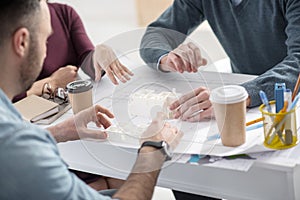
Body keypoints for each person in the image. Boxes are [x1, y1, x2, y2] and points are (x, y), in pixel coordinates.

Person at [0, 0, 182, 199]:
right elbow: (17, 148)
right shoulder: (16, 145)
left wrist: (57, 132)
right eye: (45, 40)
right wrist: (153, 148)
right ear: (22, 42)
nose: (46, 52)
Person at [140, 0, 300, 123]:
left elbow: (298, 62)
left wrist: (238, 96)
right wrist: (168, 58)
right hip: (247, 98)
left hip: (290, 101)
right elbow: (156, 35)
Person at [13, 1, 133, 102]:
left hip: (66, 109)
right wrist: (52, 83)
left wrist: (98, 55)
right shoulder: (8, 24)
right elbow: (6, 96)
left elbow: (89, 63)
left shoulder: (64, 14)